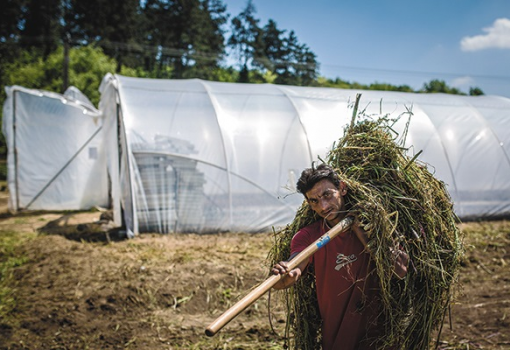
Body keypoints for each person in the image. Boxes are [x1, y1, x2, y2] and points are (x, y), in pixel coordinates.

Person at [272, 163, 408, 350]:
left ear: (342, 189)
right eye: (314, 201)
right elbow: (294, 268)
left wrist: (362, 234)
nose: (323, 206)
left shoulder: (378, 226)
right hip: (338, 340)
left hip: (381, 338)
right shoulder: (309, 236)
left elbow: (399, 271)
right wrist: (285, 276)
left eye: (327, 195)